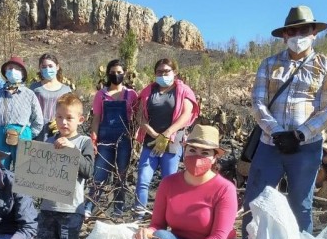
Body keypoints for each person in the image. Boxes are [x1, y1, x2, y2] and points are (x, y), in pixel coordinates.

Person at [242, 5, 327, 239]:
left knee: (302, 205)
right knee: (255, 203)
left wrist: (299, 135)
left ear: (314, 33)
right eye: (293, 31)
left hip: (306, 147)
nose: (298, 35)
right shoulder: (269, 64)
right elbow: (258, 102)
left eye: (304, 30)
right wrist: (276, 133)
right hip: (269, 144)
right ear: (285, 35)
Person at [16, 94, 95, 239]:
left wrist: (71, 150)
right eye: (59, 117)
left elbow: (89, 171)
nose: (64, 122)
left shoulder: (83, 142)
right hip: (48, 210)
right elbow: (36, 173)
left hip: (71, 212)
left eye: (69, 118)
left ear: (81, 119)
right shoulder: (49, 141)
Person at [133, 58, 199, 219]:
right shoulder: (149, 91)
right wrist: (155, 135)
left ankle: (168, 218)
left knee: (169, 182)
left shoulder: (183, 91)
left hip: (172, 141)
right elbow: (140, 116)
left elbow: (185, 115)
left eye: (166, 71)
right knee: (143, 179)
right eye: (159, 72)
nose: (163, 74)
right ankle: (138, 216)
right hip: (151, 141)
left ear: (174, 72)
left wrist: (167, 134)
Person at [85, 59, 138, 219]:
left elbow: (136, 118)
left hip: (124, 140)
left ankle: (118, 209)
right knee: (99, 173)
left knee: (121, 175)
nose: (116, 75)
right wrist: (93, 138)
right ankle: (89, 206)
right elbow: (96, 118)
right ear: (108, 73)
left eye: (120, 72)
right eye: (113, 72)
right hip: (104, 139)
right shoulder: (101, 95)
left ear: (125, 73)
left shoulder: (131, 94)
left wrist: (134, 138)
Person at [0, 56, 43, 168]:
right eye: (10, 68)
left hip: (23, 135)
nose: (12, 71)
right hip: (0, 135)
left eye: (16, 68)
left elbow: (38, 120)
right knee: (0, 170)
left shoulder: (29, 94)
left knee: (23, 172)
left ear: (22, 73)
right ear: (5, 72)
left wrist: (28, 134)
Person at [29, 53, 72, 141]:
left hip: (59, 129)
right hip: (38, 130)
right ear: (40, 68)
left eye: (50, 66)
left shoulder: (66, 90)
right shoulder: (35, 88)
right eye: (44, 67)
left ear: (57, 67)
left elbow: (70, 112)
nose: (47, 69)